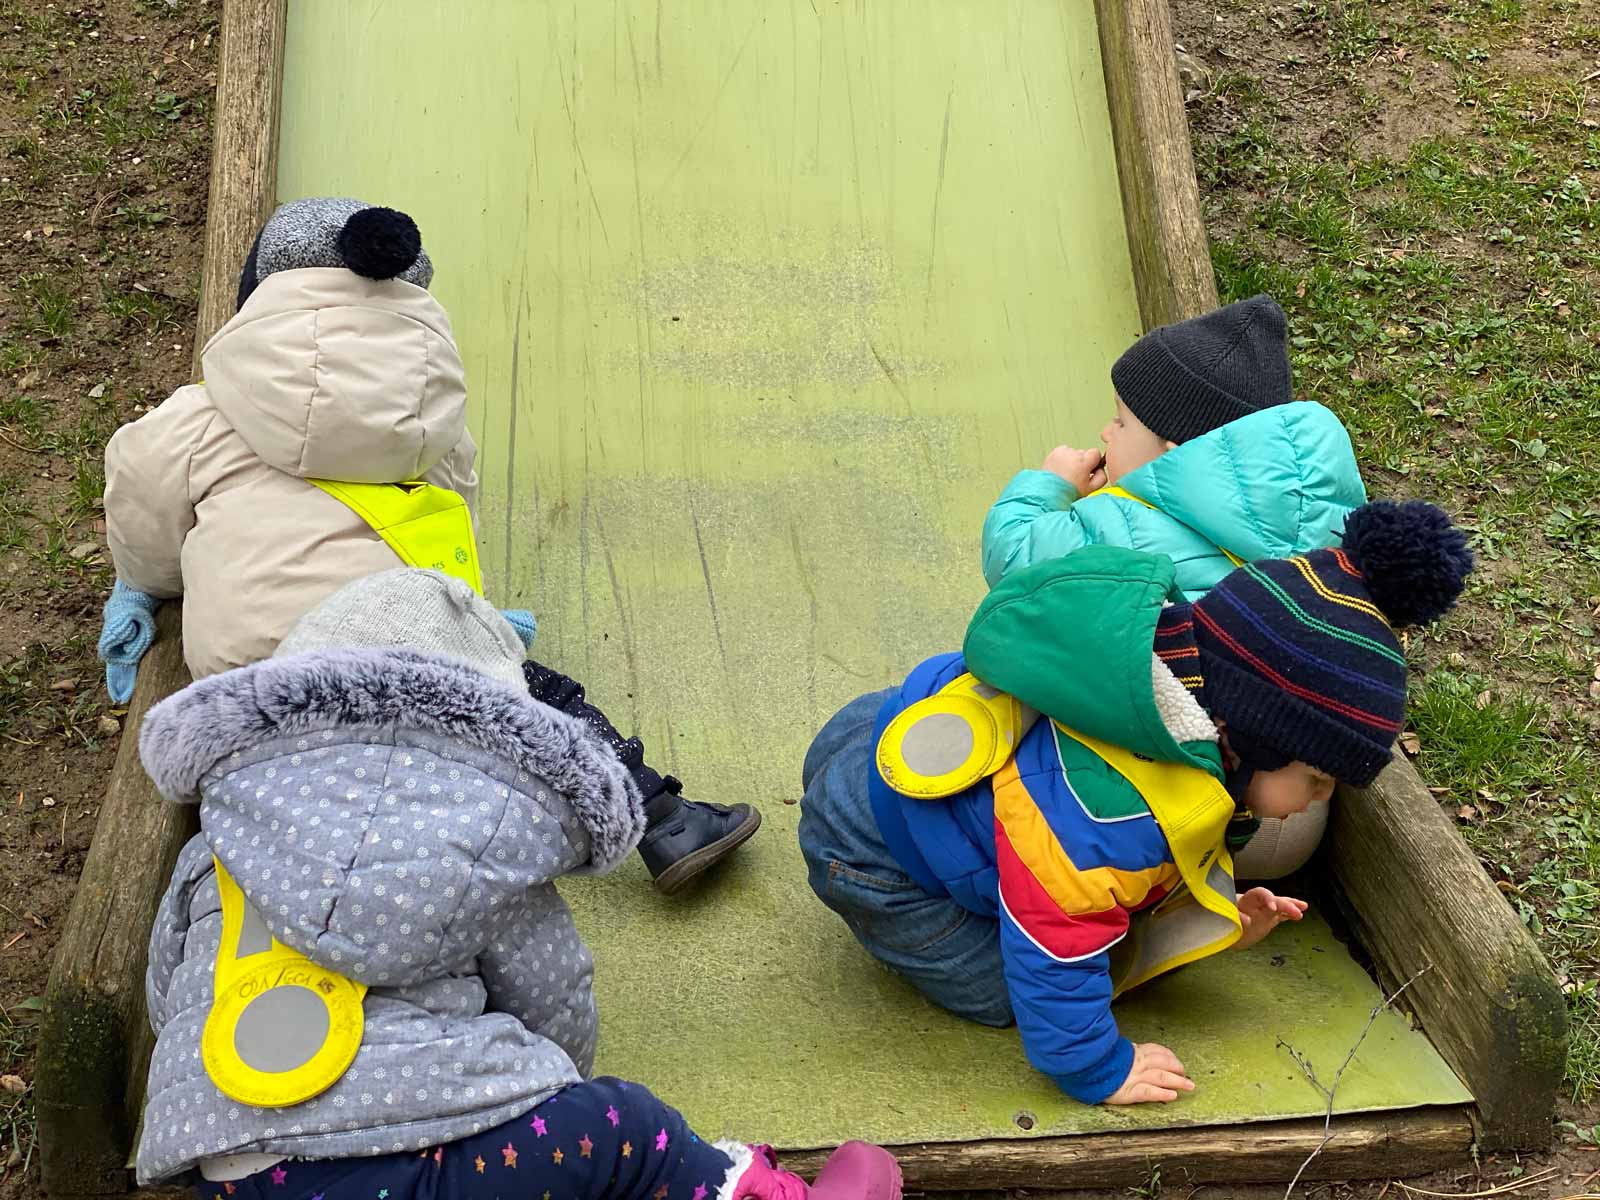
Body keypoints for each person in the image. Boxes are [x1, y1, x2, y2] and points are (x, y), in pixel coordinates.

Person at [134, 567, 900, 1200]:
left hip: (229, 1161)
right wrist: (548, 1090)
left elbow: (167, 988)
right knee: (628, 1129)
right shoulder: (488, 841)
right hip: (423, 1164)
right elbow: (551, 994)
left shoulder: (218, 844)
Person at [98, 195, 757, 892]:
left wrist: (146, 583)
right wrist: (469, 614)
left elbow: (143, 501)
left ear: (260, 295)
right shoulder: (433, 422)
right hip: (420, 660)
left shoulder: (198, 418)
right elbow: (448, 516)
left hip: (263, 677)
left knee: (266, 787)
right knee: (545, 703)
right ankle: (663, 820)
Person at [799, 501, 1472, 1105]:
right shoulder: (1108, 814)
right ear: (1252, 737)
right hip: (872, 856)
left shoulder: (1167, 688)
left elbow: (1169, 838)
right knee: (1007, 988)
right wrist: (1097, 1067)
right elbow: (1057, 948)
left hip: (900, 731)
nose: (1317, 800)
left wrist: (1210, 910)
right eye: (1317, 779)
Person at [982, 294, 1365, 604]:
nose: (1106, 432)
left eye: (1121, 421)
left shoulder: (1119, 527)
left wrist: (1052, 486)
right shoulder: (1323, 553)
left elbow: (1011, 561)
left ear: (1174, 451)